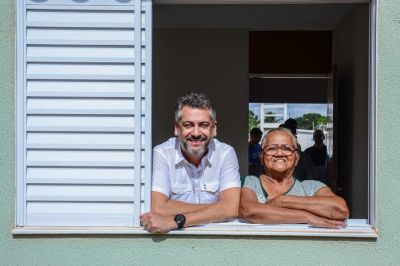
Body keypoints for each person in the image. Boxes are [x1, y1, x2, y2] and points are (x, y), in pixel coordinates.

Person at [140, 93, 241, 233]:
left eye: (203, 125)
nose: (195, 133)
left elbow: (231, 209)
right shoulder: (162, 153)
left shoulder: (225, 153)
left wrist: (175, 221)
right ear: (177, 128)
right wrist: (218, 209)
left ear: (214, 129)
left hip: (216, 239)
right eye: (188, 125)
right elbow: (158, 208)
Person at [239, 127, 349, 228]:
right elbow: (248, 211)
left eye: (287, 148)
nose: (279, 153)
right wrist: (306, 217)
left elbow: (340, 210)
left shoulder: (311, 187)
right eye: (272, 148)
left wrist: (282, 201)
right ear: (262, 157)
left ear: (296, 158)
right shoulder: (250, 182)